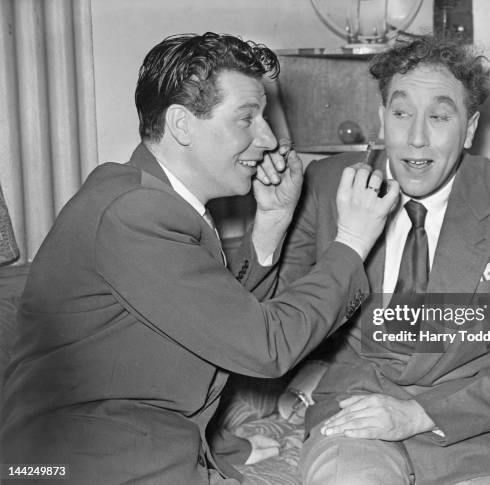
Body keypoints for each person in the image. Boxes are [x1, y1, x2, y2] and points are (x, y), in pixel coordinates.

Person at [0, 33, 399, 484]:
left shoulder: (155, 199)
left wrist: (271, 221)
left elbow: (217, 325)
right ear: (182, 125)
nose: (268, 138)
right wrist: (351, 241)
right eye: (246, 119)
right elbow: (264, 348)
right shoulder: (133, 214)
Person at [277, 35, 490, 485]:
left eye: (438, 116)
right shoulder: (328, 183)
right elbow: (274, 317)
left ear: (469, 128)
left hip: (476, 430)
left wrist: (417, 413)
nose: (416, 137)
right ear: (381, 118)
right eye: (401, 113)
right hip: (358, 415)